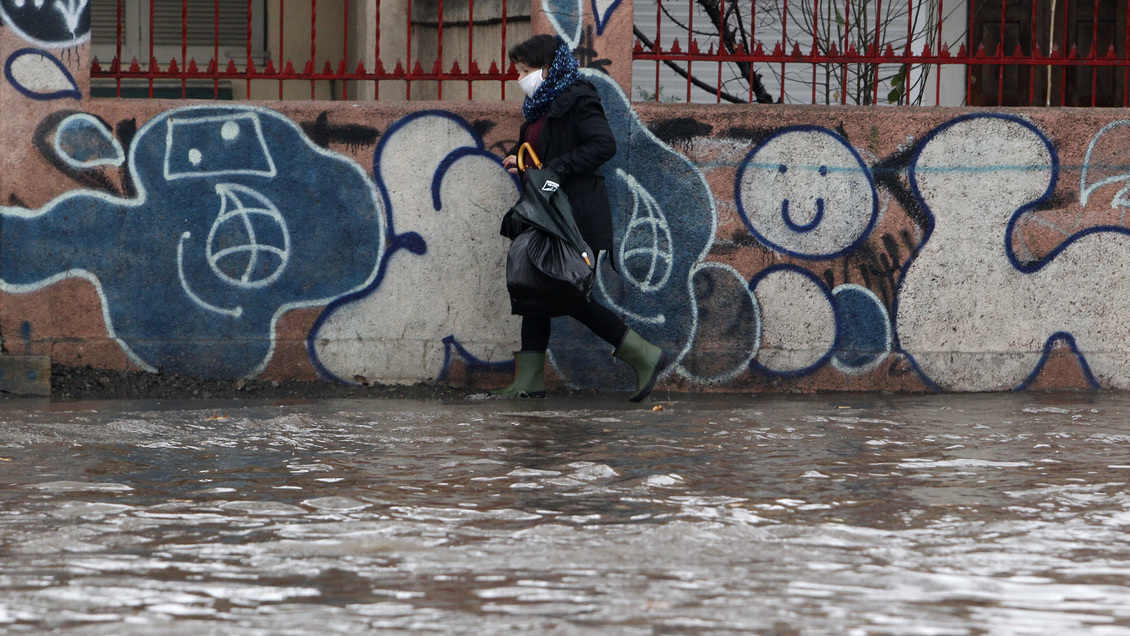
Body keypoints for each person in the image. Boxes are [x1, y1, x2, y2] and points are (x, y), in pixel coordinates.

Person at [495, 34, 667, 402]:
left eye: (524, 71)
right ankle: (529, 380)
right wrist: (518, 156)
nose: (519, 78)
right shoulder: (541, 104)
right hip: (547, 213)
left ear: (546, 67)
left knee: (565, 291)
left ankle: (642, 354)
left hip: (573, 213)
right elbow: (546, 145)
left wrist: (556, 169)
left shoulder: (577, 95)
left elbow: (603, 144)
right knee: (533, 285)